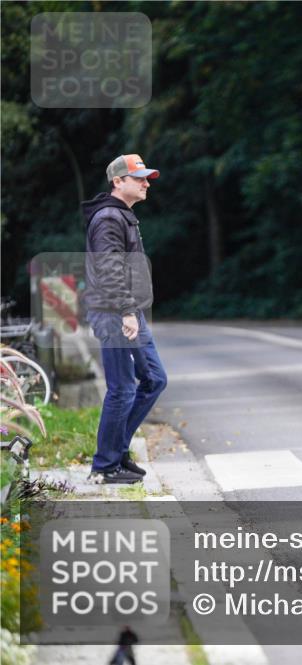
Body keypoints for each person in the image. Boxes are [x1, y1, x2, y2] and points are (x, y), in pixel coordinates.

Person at [82, 154, 168, 484]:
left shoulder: (122, 216)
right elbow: (109, 268)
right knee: (122, 390)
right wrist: (127, 311)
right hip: (115, 313)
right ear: (118, 181)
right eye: (139, 178)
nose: (146, 183)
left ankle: (116, 453)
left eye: (147, 178)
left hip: (126, 312)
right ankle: (104, 467)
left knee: (154, 379)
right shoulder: (108, 218)